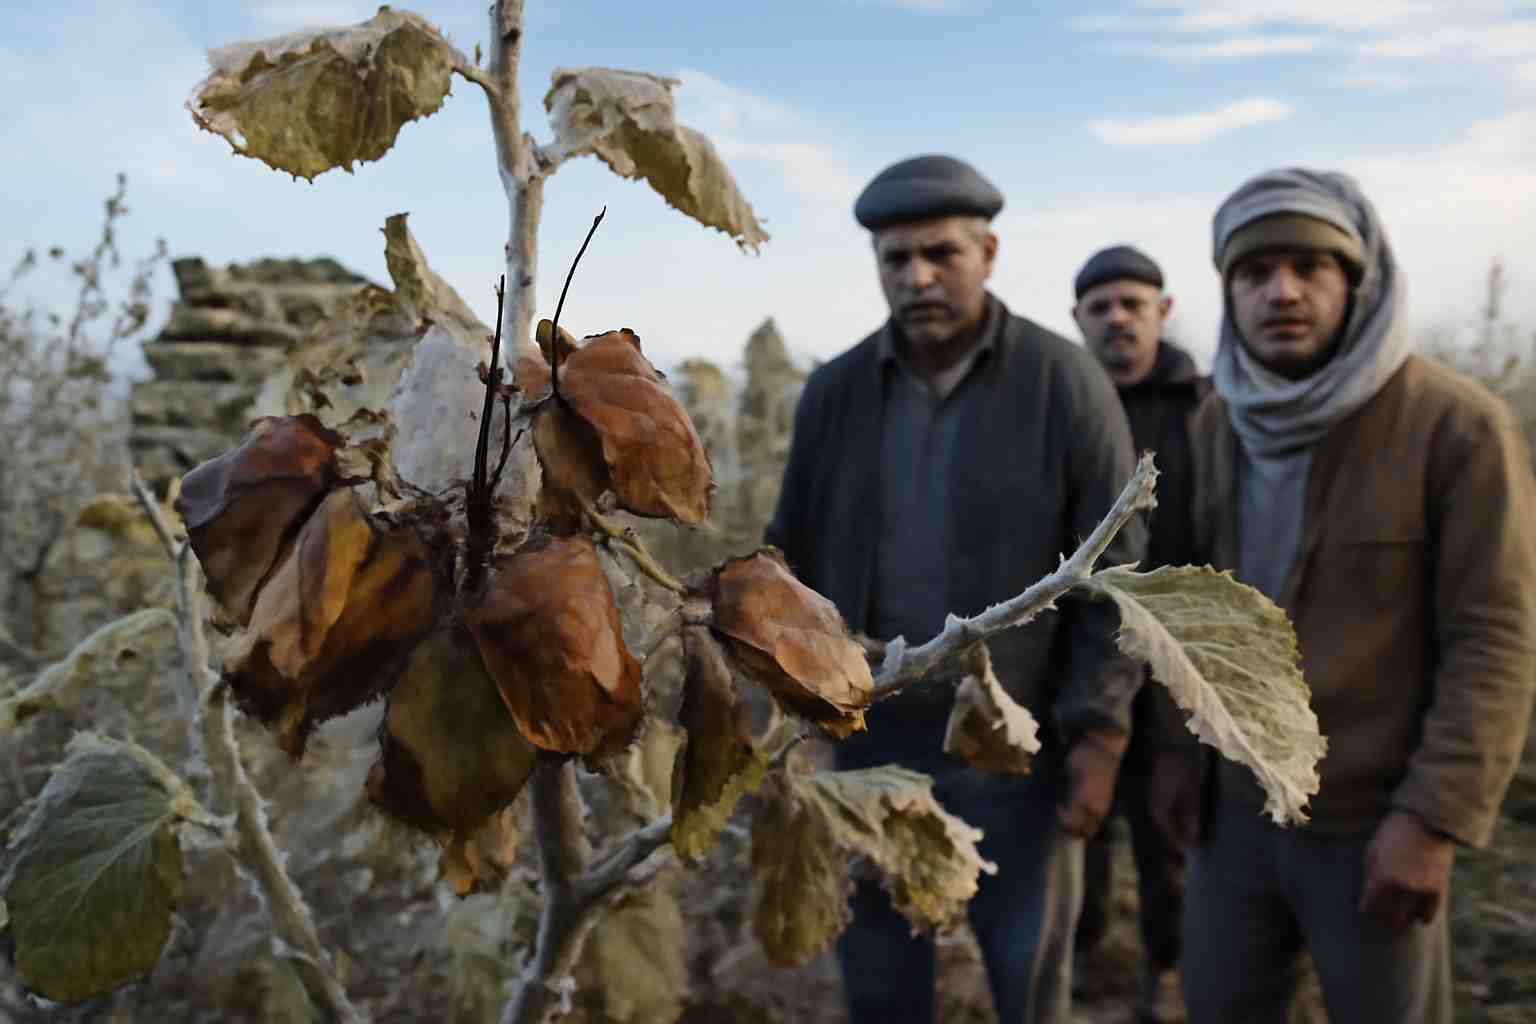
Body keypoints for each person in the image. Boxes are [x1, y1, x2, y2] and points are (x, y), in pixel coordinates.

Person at [765, 154, 1146, 1024]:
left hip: (1016, 746)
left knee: (1027, 973)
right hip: (874, 741)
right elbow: (794, 559)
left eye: (941, 253)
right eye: (896, 259)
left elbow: (1116, 577)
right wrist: (798, 712)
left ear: (989, 253)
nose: (918, 277)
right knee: (880, 978)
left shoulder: (1064, 382)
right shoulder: (835, 394)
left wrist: (1098, 734)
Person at [1152, 167, 1536, 1024]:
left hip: (1373, 822)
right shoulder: (1218, 424)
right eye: (1256, 273)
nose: (1282, 292)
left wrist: (1432, 819)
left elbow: (1494, 639)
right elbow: (1186, 609)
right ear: (1229, 293)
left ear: (1356, 283)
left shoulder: (1457, 426)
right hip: (1232, 811)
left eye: (1309, 268)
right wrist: (1175, 754)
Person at [1071, 245, 1207, 1023]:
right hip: (1082, 655)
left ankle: (1167, 967)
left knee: (1167, 830)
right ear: (1079, 320)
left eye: (1132, 303)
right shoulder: (1068, 406)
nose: (1117, 319)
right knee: (1079, 818)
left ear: (1163, 310)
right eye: (1101, 307)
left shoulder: (1204, 409)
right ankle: (1081, 953)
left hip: (1171, 659)